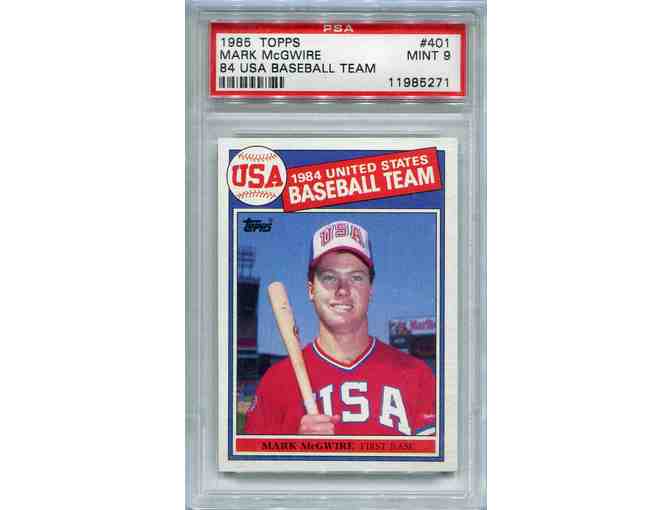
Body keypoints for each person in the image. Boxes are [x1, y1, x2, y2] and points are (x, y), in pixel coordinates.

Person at [244, 220, 436, 436]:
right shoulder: (275, 382)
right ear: (311, 290)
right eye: (329, 277)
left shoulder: (417, 376)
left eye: (356, 277)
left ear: (370, 290)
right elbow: (250, 457)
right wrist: (294, 445)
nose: (342, 289)